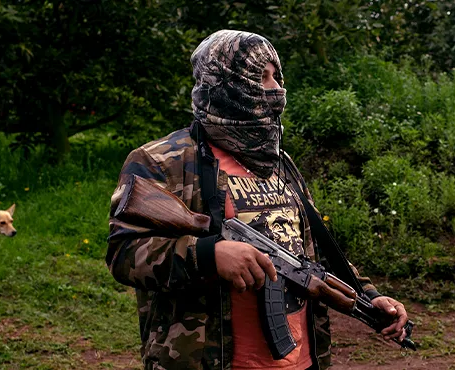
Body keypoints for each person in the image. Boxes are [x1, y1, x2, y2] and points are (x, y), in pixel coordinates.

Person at [106, 29, 409, 370]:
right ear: (224, 82)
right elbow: (123, 253)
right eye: (260, 76)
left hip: (302, 361)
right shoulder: (163, 160)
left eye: (276, 76)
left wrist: (367, 295)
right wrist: (208, 255)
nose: (275, 88)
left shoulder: (278, 162)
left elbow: (310, 251)